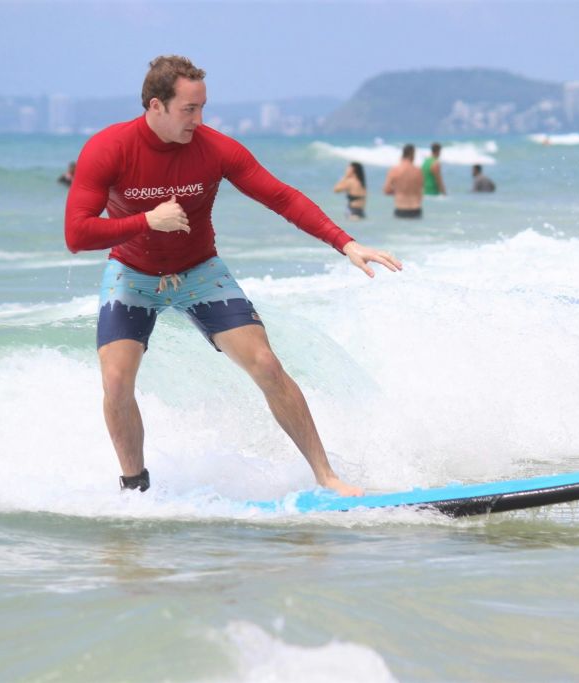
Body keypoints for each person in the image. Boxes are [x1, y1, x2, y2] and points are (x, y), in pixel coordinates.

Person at [64, 55, 401, 498]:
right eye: (189, 109)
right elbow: (77, 233)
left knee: (266, 364)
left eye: (203, 107)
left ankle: (327, 476)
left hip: (201, 272)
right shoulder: (109, 148)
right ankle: (135, 490)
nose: (199, 119)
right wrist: (147, 221)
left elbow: (281, 197)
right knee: (116, 381)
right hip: (132, 273)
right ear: (155, 106)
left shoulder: (214, 148)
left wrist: (346, 243)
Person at [383, 144, 424, 218]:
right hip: (416, 209)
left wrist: (399, 191)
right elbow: (421, 189)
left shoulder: (394, 170)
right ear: (412, 154)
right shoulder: (418, 171)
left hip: (401, 209)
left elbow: (386, 190)